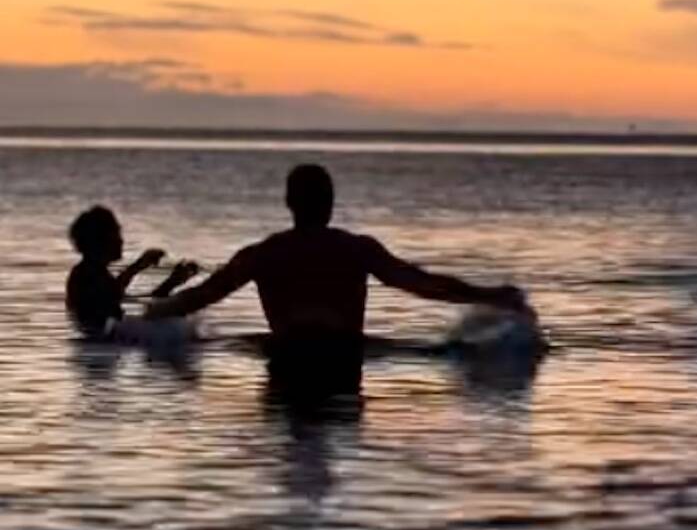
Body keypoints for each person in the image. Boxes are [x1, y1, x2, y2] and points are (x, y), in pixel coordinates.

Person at [144, 164, 529, 392]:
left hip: (287, 359)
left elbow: (203, 296)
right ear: (330, 204)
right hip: (344, 361)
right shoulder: (356, 249)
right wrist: (493, 295)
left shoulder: (263, 254)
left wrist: (154, 314)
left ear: (290, 204)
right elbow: (421, 284)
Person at [66, 206, 199, 338]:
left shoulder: (96, 273)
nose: (121, 241)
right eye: (116, 233)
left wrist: (172, 282)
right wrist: (138, 266)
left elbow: (137, 301)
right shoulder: (85, 274)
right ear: (100, 239)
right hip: (103, 342)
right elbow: (111, 295)